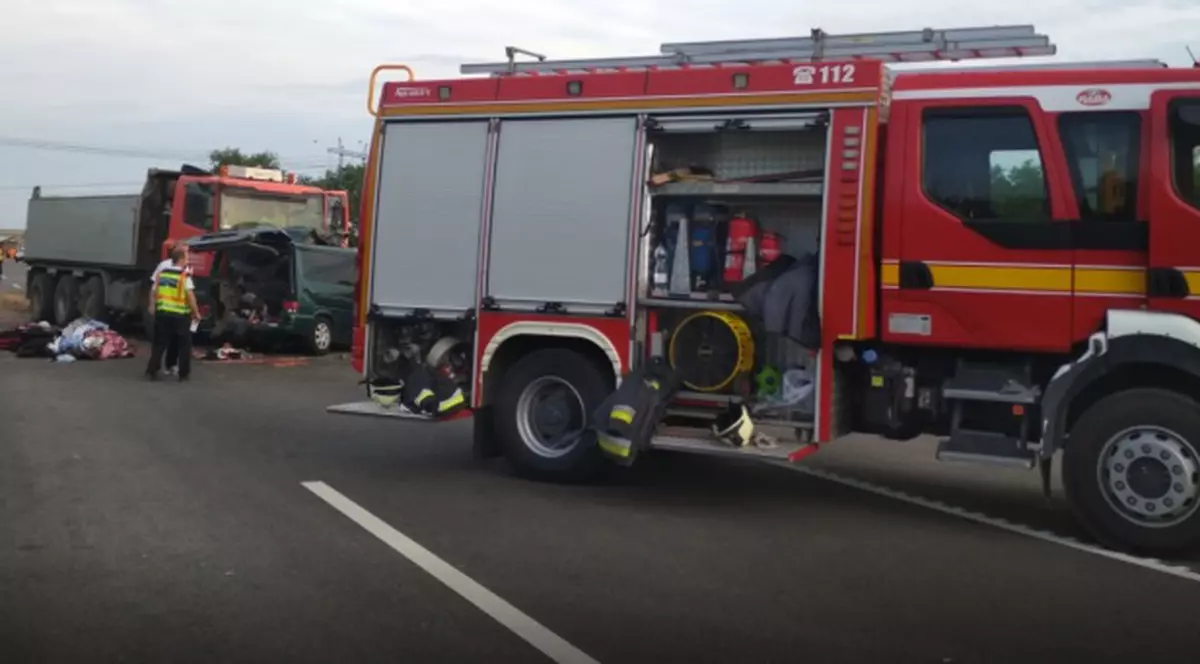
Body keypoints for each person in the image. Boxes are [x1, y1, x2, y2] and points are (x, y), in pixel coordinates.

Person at [145, 246, 200, 382]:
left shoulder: (162, 274)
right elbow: (190, 296)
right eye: (186, 257)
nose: (187, 260)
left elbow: (153, 291)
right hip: (180, 315)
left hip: (162, 313)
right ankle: (183, 374)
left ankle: (152, 371)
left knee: (159, 343)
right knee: (184, 345)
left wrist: (152, 305)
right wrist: (196, 312)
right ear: (181, 259)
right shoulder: (183, 276)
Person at [150, 239, 191, 375]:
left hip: (172, 310)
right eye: (185, 252)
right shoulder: (164, 266)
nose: (188, 255)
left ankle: (169, 365)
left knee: (171, 341)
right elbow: (155, 287)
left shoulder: (186, 267)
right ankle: (158, 367)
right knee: (162, 340)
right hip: (173, 310)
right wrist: (152, 304)